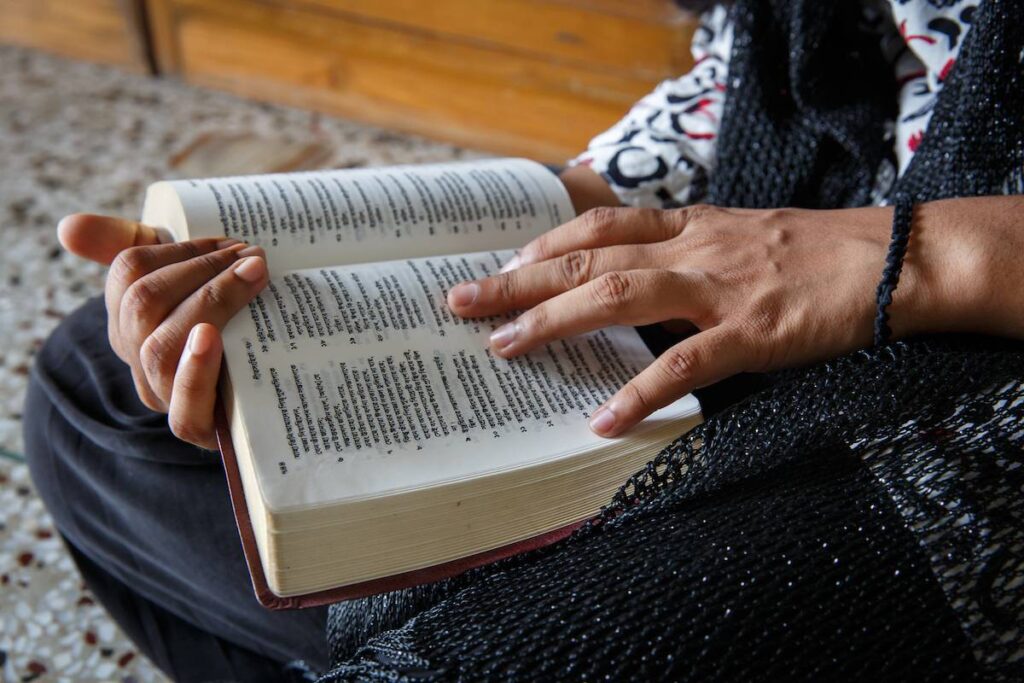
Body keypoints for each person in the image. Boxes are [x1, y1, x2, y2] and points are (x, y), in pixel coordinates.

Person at [23, 0, 1023, 680]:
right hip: (781, 249)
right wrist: (519, 213)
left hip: (969, 391)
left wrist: (906, 254)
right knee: (93, 391)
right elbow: (756, 71)